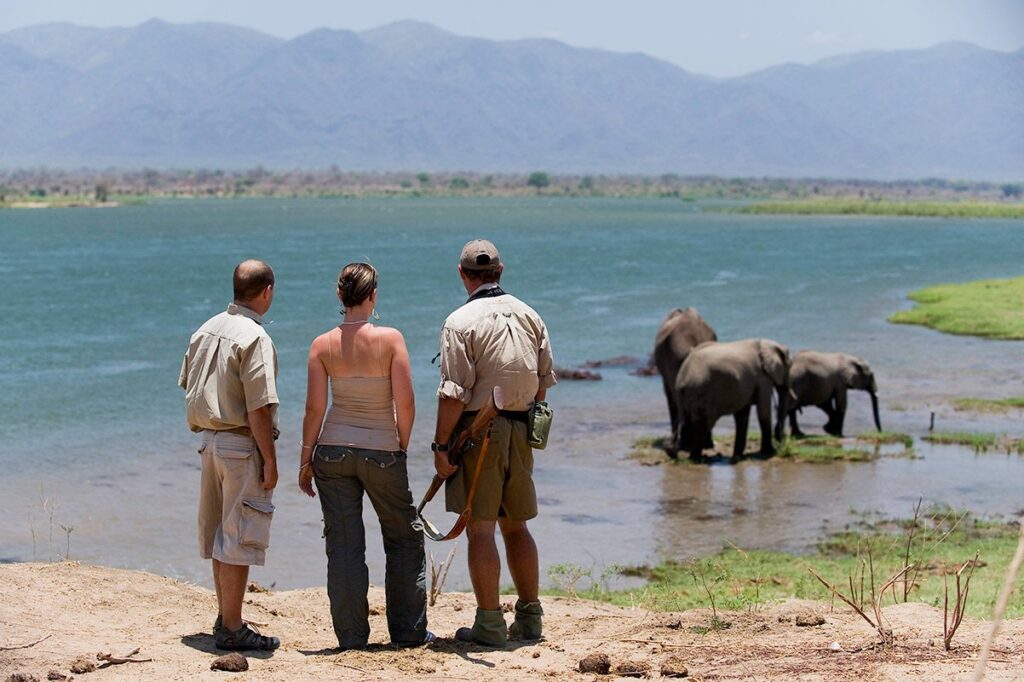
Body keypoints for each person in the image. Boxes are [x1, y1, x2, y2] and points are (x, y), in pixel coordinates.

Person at [298, 262, 431, 649]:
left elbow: (314, 409)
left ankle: (352, 638)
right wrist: (400, 444)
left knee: (343, 546)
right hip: (382, 450)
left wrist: (305, 460)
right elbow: (406, 404)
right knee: (403, 539)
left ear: (340, 295)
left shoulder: (321, 345)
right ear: (373, 296)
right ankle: (408, 633)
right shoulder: (390, 339)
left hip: (332, 452)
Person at [433, 239, 556, 646]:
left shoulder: (459, 321)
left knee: (481, 530)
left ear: (462, 274)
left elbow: (454, 395)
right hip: (522, 427)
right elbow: (542, 384)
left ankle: (489, 624)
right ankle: (530, 617)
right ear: (500, 271)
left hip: (479, 431)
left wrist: (440, 447)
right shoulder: (530, 314)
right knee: (517, 526)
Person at [178, 259, 281, 651]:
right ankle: (233, 627)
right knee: (239, 536)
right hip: (240, 443)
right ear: (267, 291)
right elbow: (259, 407)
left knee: (222, 535)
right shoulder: (255, 337)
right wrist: (270, 460)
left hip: (209, 441)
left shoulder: (205, 329)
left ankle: (226, 617)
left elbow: (188, 384)